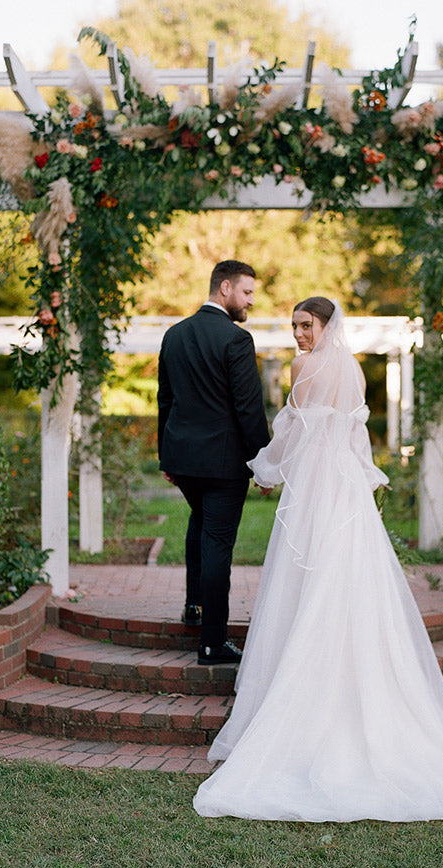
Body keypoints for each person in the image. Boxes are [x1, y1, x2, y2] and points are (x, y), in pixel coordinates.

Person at [193, 296, 443, 822]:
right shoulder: (353, 370)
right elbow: (356, 436)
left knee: (309, 578)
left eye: (306, 325)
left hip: (316, 489)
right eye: (295, 326)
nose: (299, 335)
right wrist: (368, 477)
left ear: (325, 326)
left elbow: (291, 436)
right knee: (350, 579)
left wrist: (264, 467)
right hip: (346, 490)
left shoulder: (304, 367)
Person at [157, 260, 270, 665]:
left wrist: (165, 456)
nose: (251, 301)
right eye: (247, 292)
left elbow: (165, 402)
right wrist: (264, 464)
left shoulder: (173, 335)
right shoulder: (236, 340)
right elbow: (249, 409)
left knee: (200, 523)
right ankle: (211, 642)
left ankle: (193, 606)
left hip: (184, 460)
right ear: (225, 288)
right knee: (218, 542)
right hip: (223, 466)